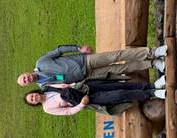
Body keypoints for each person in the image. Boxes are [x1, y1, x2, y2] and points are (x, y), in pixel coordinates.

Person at [17, 45, 167, 87]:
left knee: (117, 56)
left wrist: (78, 49)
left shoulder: (41, 63)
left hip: (85, 61)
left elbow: (59, 50)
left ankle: (153, 52)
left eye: (24, 77)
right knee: (121, 69)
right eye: (25, 81)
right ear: (27, 84)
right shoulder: (44, 86)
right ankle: (153, 63)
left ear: (25, 73)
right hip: (86, 76)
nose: (27, 79)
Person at [23, 77, 166, 116]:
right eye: (33, 100)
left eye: (33, 95)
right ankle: (152, 93)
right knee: (119, 95)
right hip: (87, 100)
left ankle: (152, 86)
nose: (34, 97)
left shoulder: (47, 87)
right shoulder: (47, 108)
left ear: (34, 92)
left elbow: (64, 83)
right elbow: (67, 111)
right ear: (34, 104)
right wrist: (82, 105)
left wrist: (75, 83)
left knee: (118, 85)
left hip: (86, 87)